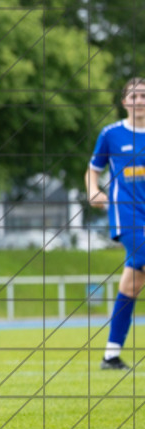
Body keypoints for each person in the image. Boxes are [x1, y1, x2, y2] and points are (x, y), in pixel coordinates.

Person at [87, 76, 145, 371]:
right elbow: (93, 170)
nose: (140, 101)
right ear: (125, 102)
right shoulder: (110, 134)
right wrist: (93, 189)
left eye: (144, 96)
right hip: (128, 216)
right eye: (134, 96)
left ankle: (111, 355)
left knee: (132, 284)